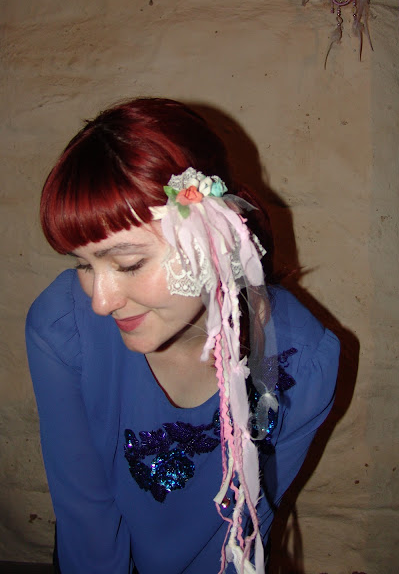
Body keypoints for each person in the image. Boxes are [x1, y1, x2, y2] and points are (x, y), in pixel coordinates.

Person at [26, 98, 340, 574]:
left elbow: (244, 527)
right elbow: (86, 516)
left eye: (128, 263)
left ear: (216, 236)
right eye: (83, 265)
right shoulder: (63, 328)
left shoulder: (304, 363)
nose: (101, 301)